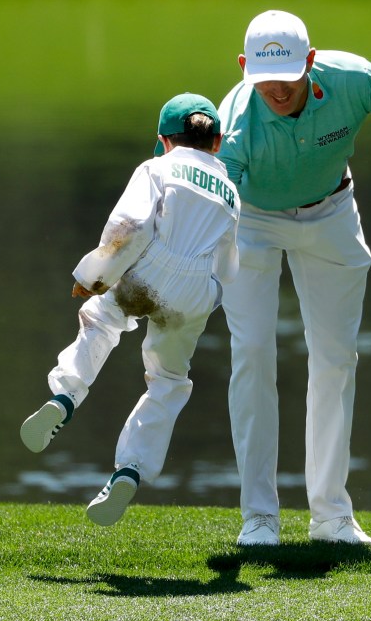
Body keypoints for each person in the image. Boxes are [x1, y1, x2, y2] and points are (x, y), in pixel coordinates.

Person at [217, 10, 371, 546]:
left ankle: (332, 517)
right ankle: (259, 518)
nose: (276, 88)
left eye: (289, 74)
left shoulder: (354, 79)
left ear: (311, 62)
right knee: (251, 353)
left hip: (331, 212)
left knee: (337, 358)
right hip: (250, 220)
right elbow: (217, 208)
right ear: (245, 66)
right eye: (264, 76)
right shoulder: (235, 124)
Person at [20, 93, 240, 527]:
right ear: (216, 143)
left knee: (101, 320)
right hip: (196, 288)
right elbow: (229, 266)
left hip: (150, 269)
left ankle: (65, 394)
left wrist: (94, 276)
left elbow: (132, 227)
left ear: (163, 140)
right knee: (169, 381)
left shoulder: (156, 167)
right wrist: (210, 295)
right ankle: (129, 469)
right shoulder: (231, 192)